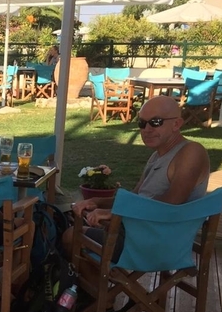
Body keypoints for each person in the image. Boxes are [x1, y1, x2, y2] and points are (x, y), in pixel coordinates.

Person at [63, 95, 210, 259]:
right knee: (71, 221)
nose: (147, 129)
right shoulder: (157, 155)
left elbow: (172, 202)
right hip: (138, 233)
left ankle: (100, 282)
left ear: (176, 124)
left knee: (71, 236)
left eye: (155, 122)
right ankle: (101, 282)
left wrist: (115, 213)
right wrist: (96, 201)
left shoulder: (191, 152)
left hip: (155, 243)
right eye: (142, 123)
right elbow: (136, 197)